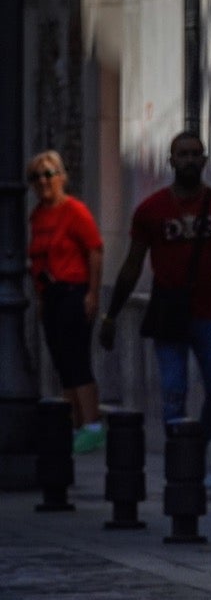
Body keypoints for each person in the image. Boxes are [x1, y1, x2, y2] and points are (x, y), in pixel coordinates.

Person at [101, 132, 211, 480]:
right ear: (171, 161)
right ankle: (185, 462)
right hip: (170, 314)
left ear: (204, 161)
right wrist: (111, 313)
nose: (189, 160)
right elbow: (132, 264)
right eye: (182, 154)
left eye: (195, 154)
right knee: (174, 393)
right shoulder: (150, 211)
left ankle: (194, 448)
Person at [27, 150, 105, 453]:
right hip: (51, 295)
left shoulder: (74, 210)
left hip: (74, 290)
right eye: (36, 176)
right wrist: (41, 299)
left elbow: (95, 250)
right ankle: (75, 425)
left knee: (76, 358)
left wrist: (93, 293)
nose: (43, 181)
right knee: (61, 361)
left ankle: (93, 424)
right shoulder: (37, 215)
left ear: (62, 177)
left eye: (48, 174)